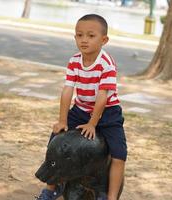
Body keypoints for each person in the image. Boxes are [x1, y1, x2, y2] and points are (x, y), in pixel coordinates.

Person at [36, 14, 127, 200]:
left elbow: (102, 97)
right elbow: (68, 90)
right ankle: (51, 187)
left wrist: (93, 124)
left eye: (91, 36)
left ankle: (111, 197)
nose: (84, 40)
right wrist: (62, 120)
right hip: (81, 110)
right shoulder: (75, 60)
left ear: (104, 40)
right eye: (79, 35)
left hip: (108, 112)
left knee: (119, 155)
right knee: (56, 140)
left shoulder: (106, 64)